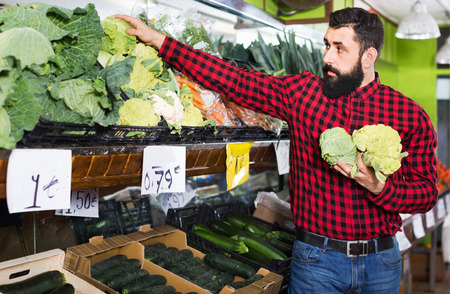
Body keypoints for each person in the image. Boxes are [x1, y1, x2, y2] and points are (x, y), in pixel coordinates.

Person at [115, 7, 438, 294]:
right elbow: (235, 80)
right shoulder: (304, 94)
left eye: (340, 49)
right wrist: (163, 43)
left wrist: (378, 186)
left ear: (368, 56)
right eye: (327, 45)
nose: (327, 57)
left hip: (381, 261)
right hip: (316, 261)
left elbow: (425, 194)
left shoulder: (408, 115)